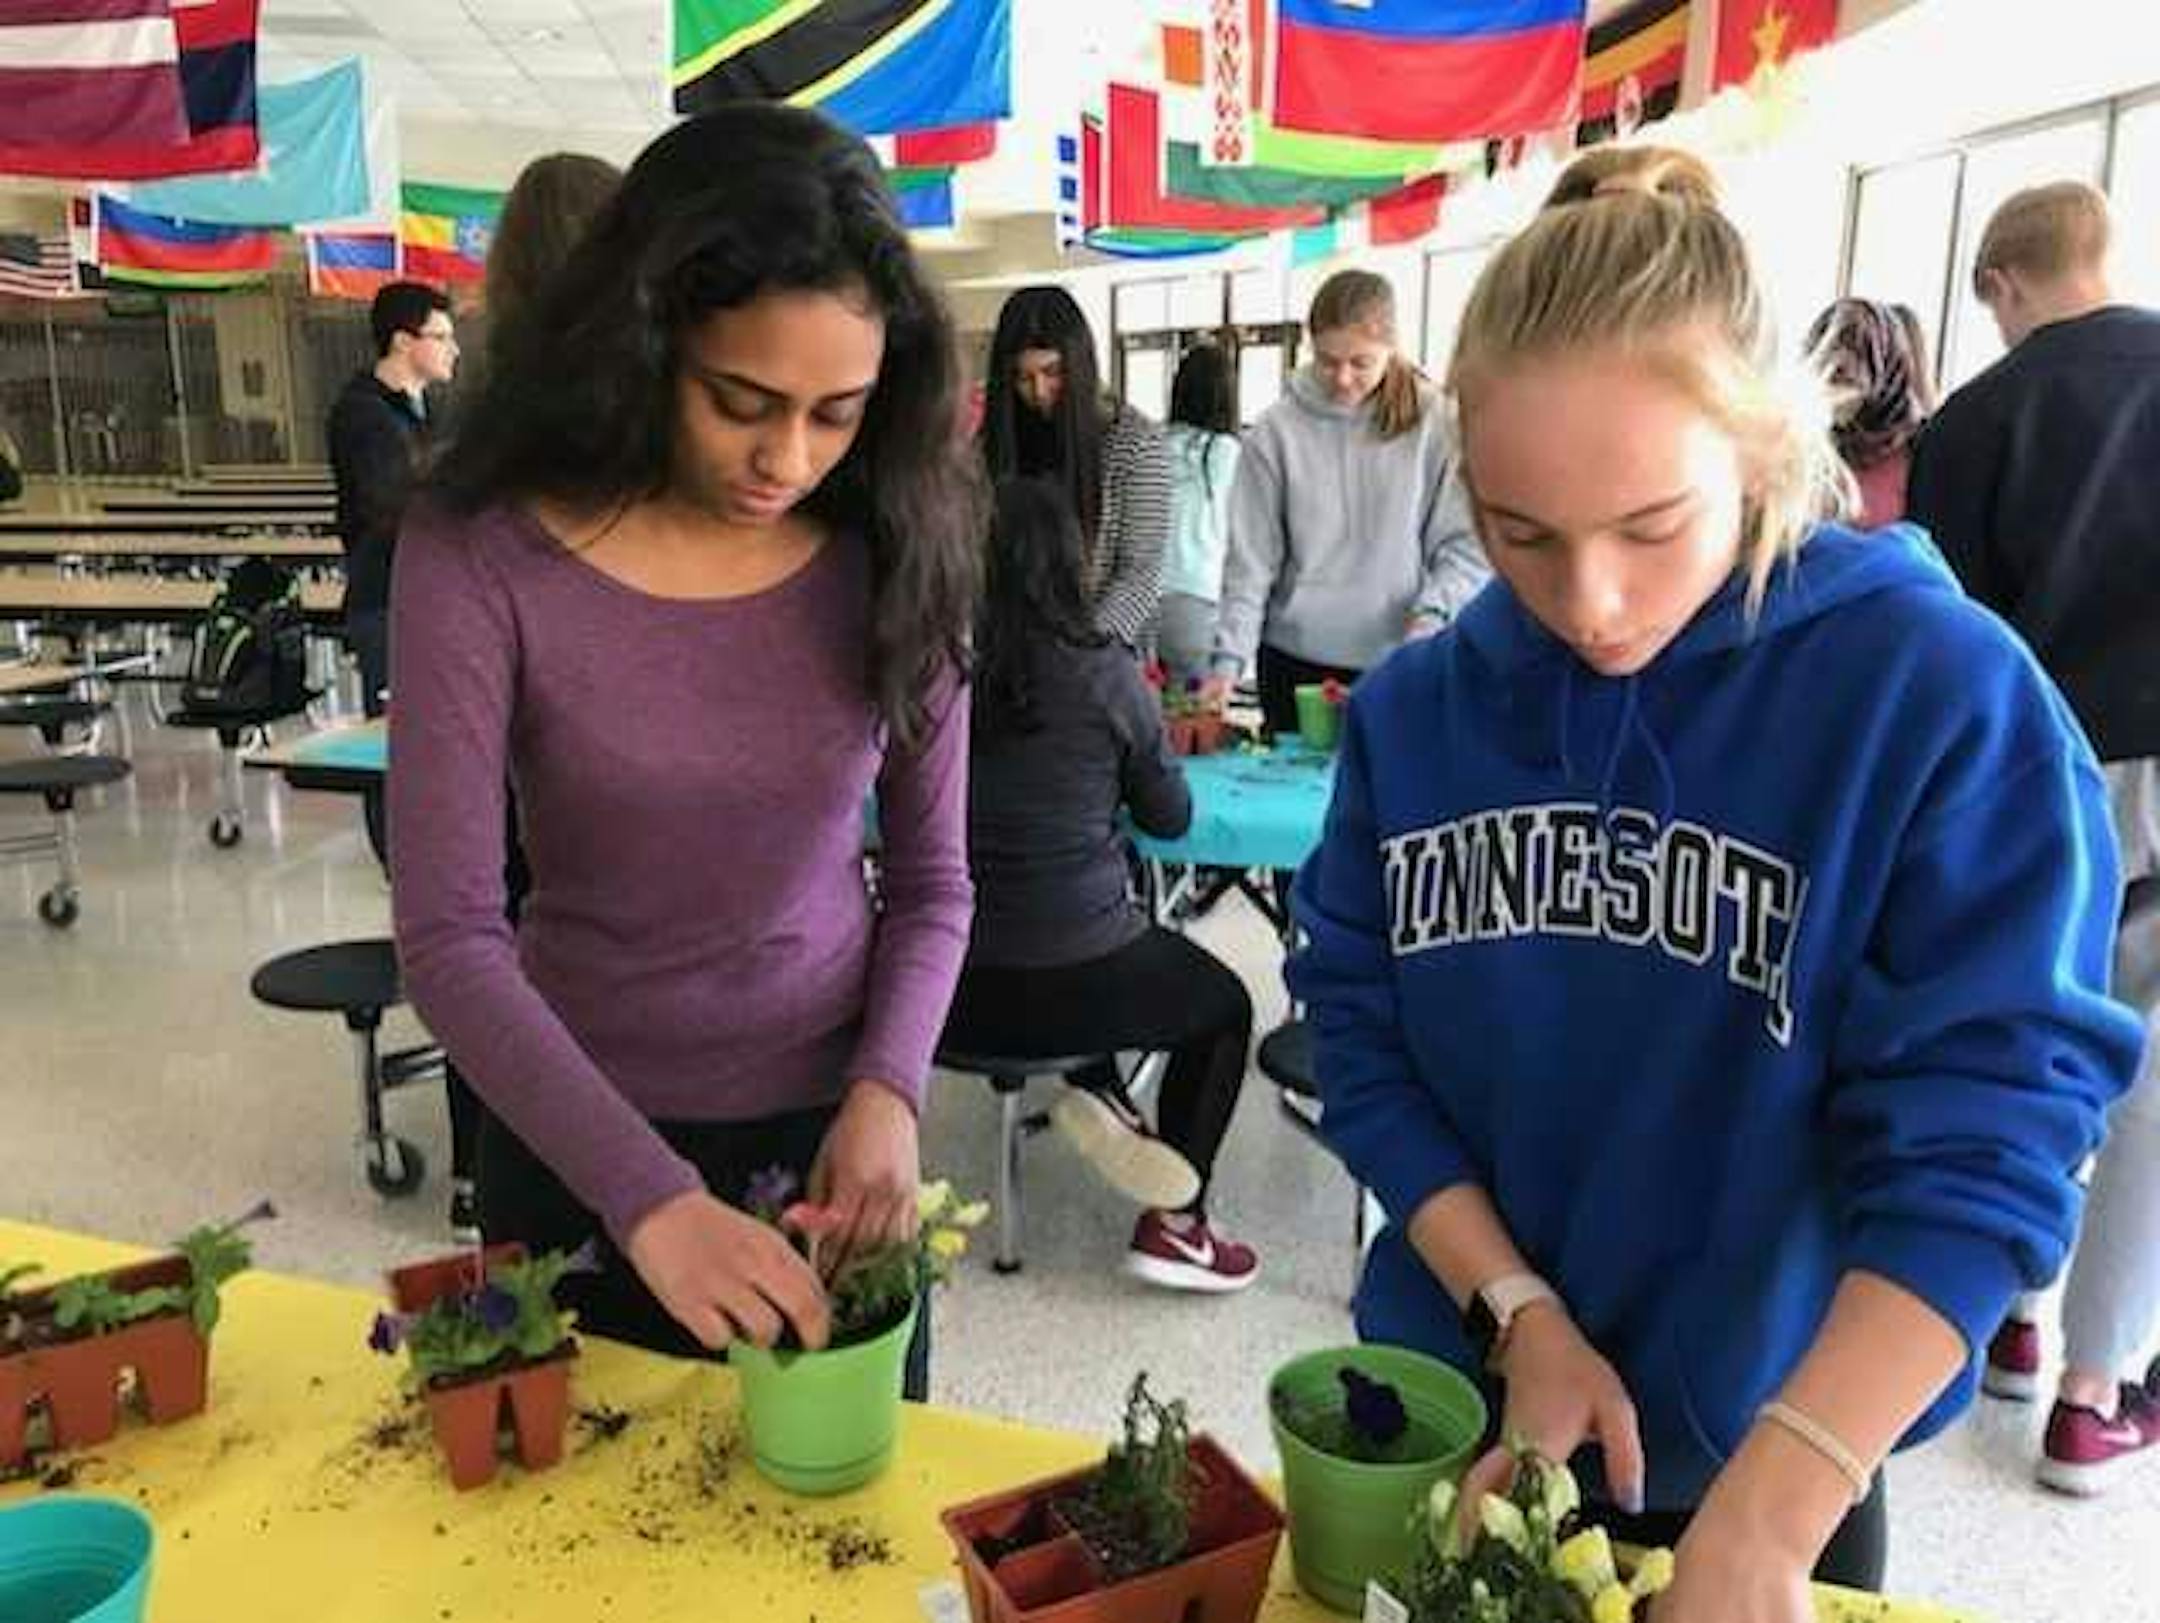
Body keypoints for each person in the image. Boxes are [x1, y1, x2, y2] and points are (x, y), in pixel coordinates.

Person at [1289, 161, 2139, 1614]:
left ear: (1764, 447)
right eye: (1521, 534)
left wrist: (1779, 1493)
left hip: (1781, 1459)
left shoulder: (1933, 696)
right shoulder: (1416, 714)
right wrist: (1518, 1307)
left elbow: (1989, 1134)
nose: (1592, 602)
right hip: (1465, 1408)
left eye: (1649, 524)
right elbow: (1358, 1041)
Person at [389, 105, 981, 1393]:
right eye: (742, 402)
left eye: (838, 413)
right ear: (641, 340)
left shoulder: (897, 538)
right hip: (573, 1132)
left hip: (833, 1153)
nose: (788, 458)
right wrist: (646, 1197)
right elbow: (446, 935)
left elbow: (935, 884)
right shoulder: (482, 549)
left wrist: (889, 1094)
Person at [1907, 179, 2160, 1496]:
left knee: (2028, 1040)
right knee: (2155, 1082)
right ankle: (2094, 1388)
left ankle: (2006, 1306)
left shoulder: (1975, 419)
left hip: (2033, 767)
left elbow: (1943, 633)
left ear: (2004, 282)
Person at [939, 478, 1258, 1292]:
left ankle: (1102, 1092)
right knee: (1223, 1007)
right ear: (1071, 566)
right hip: (1084, 968)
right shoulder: (1104, 673)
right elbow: (1173, 818)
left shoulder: (937, 674)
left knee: (1109, 968)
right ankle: (1180, 1227)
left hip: (951, 981)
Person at [418, 151, 622, 1245]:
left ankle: (467, 1155)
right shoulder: (481, 528)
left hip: (559, 1036)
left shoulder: (476, 489)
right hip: (586, 1074)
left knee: (500, 918)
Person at [1208, 270, 1486, 736]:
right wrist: (1226, 663)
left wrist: (1432, 617)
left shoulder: (1436, 422)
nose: (1342, 379)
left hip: (1402, 657)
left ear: (1393, 349)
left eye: (1361, 363)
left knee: (1395, 805)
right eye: (1326, 361)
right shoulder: (1276, 431)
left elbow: (1464, 546)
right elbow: (1250, 565)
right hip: (1291, 663)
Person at [327, 280, 458, 863]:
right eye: (442, 337)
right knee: (392, 738)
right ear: (404, 342)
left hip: (427, 596)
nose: (454, 349)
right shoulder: (365, 416)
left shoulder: (423, 410)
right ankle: (397, 859)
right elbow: (394, 510)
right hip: (387, 596)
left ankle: (426, 848)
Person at [979, 286, 1170, 649]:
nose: (1039, 391)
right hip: (1006, 656)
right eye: (1022, 377)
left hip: (1102, 658)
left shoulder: (1135, 442)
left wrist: (1079, 654)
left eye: (1053, 372)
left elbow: (1140, 576)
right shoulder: (993, 442)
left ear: (1079, 365)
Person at [1804, 297, 1934, 529]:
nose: (1833, 391)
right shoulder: (1808, 443)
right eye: (1823, 369)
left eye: (1844, 376)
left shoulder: (1926, 449)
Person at [1154, 343, 1241, 686]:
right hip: (1197, 597)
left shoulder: (1153, 443)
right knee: (1193, 720)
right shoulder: (1224, 452)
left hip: (1142, 598)